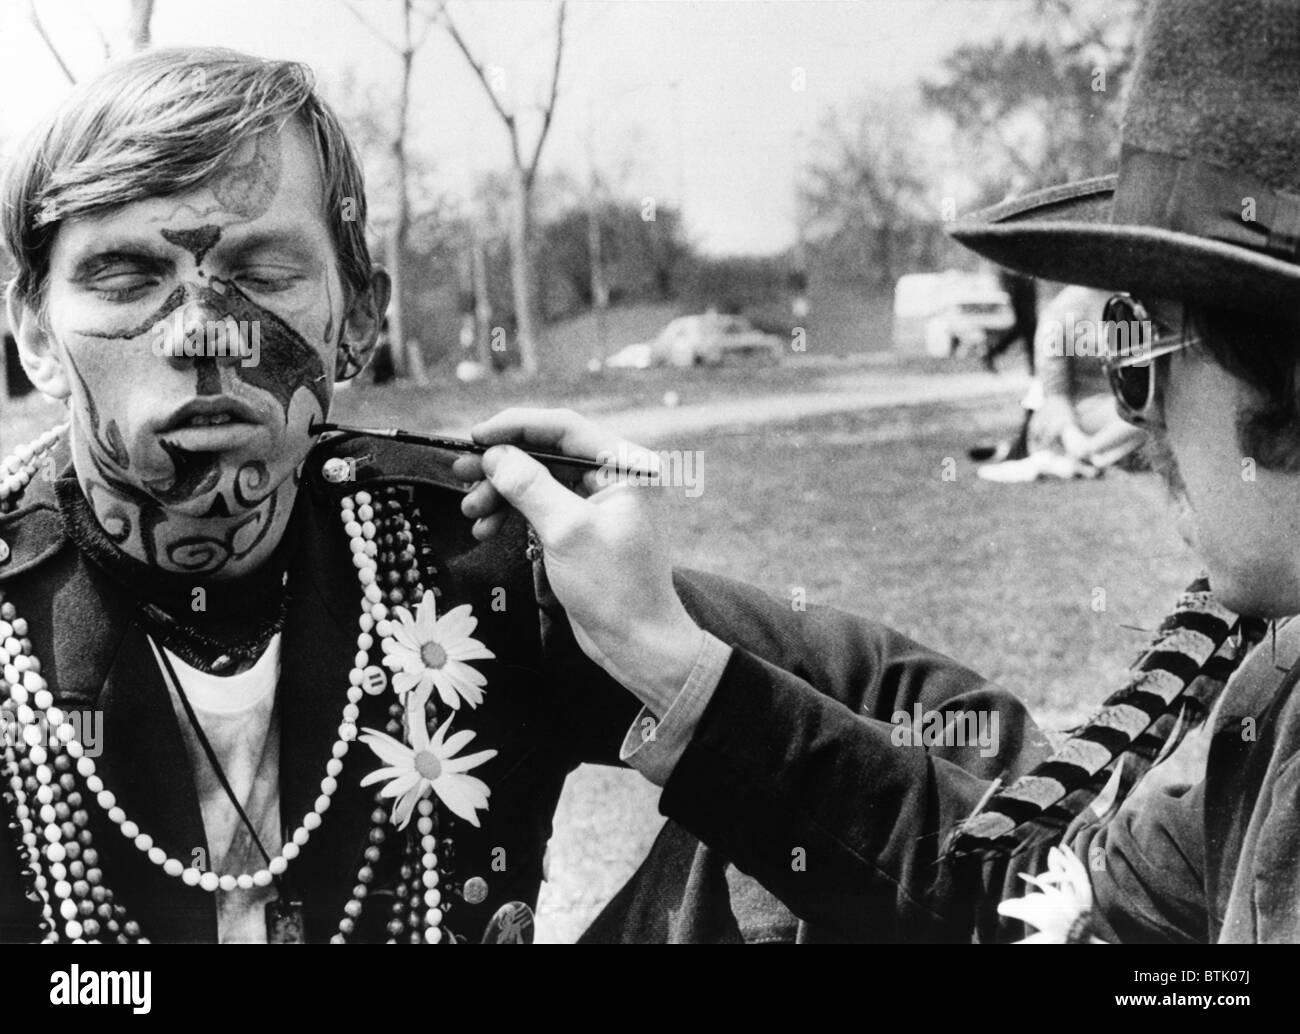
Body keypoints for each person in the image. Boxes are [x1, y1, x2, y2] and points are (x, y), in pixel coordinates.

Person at [0, 47, 1043, 943]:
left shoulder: (472, 553)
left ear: (358, 320)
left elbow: (975, 754)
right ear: (35, 331)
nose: (203, 333)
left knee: (770, 807)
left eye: (265, 271)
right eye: (126, 277)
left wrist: (667, 659)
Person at [461, 0, 1300, 942]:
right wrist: (668, 656)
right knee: (914, 727)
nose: (1137, 423)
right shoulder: (1274, 663)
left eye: (1140, 349)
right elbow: (1050, 896)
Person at [977, 285, 1147, 482]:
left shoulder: (1133, 301)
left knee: (1153, 414)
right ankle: (1083, 457)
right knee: (1150, 417)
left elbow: (1142, 379)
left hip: (1122, 416)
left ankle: (1086, 459)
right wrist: (1073, 437)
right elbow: (1055, 393)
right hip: (1075, 417)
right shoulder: (1063, 309)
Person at [983, 269, 1037, 374]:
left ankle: (993, 352)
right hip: (1019, 279)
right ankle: (993, 352)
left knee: (1026, 327)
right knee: (1027, 326)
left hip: (1024, 278)